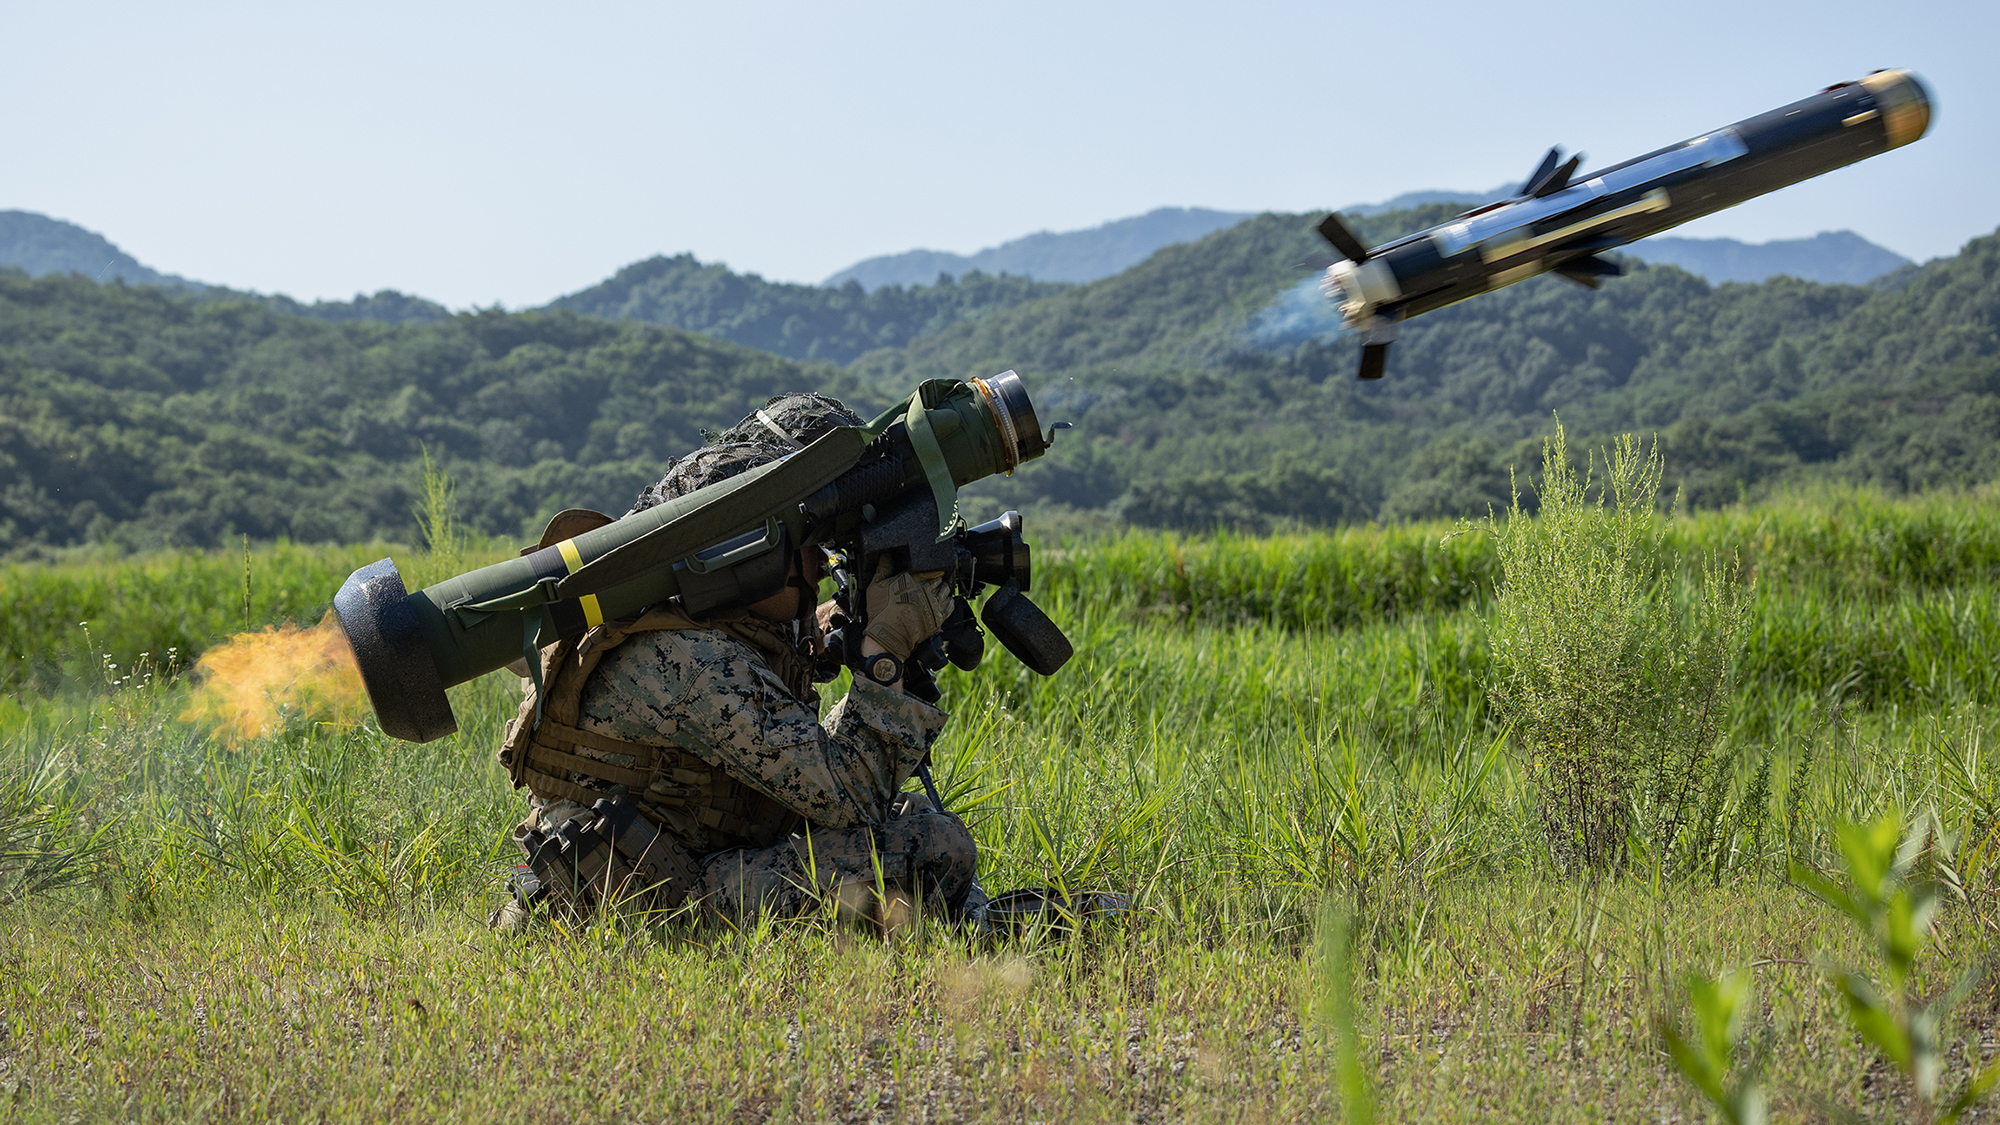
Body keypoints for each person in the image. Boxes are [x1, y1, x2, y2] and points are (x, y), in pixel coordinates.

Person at [493, 393, 983, 930]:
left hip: (656, 871)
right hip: (647, 904)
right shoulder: (690, 661)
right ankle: (981, 933)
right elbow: (849, 796)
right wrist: (883, 654)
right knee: (933, 844)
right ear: (752, 554)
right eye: (810, 542)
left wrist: (848, 635)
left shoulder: (672, 617)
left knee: (916, 825)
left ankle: (972, 929)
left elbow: (804, 767)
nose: (823, 564)